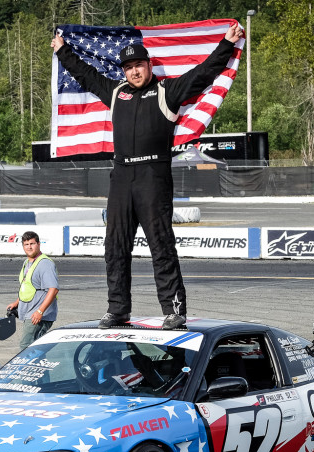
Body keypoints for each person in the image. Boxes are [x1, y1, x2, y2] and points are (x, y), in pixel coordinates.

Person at [51, 22, 243, 330]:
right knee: (114, 247)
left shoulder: (167, 91)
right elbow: (85, 75)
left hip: (154, 176)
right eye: (128, 67)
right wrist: (62, 51)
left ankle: (174, 309)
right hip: (122, 176)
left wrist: (226, 44)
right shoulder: (115, 92)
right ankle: (117, 310)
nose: (134, 72)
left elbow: (204, 73)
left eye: (138, 65)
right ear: (124, 71)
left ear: (148, 65)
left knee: (161, 245)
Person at [6, 232, 59, 349]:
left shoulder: (45, 263)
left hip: (38, 315)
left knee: (26, 346)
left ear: (39, 244)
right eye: (26, 244)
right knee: (35, 347)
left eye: (32, 244)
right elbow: (28, 286)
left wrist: (40, 311)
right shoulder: (27, 262)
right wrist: (17, 302)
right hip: (29, 312)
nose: (29, 247)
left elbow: (53, 289)